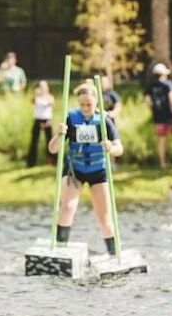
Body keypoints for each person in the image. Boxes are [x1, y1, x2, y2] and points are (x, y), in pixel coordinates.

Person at [47, 83, 123, 256]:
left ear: (97, 102)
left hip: (98, 170)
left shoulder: (105, 120)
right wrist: (59, 134)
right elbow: (53, 149)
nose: (86, 108)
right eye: (82, 104)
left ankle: (113, 253)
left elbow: (120, 148)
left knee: (104, 217)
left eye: (89, 104)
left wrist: (110, 147)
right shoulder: (71, 117)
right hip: (75, 169)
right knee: (67, 207)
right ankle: (60, 248)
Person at [144, 63, 172, 168]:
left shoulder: (150, 85)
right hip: (170, 115)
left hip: (158, 117)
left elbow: (147, 100)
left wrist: (153, 110)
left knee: (161, 140)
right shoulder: (168, 84)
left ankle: (162, 163)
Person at [26, 80, 56, 167]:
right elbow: (32, 100)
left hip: (47, 120)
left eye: (45, 87)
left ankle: (52, 159)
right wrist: (36, 93)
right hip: (38, 120)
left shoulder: (49, 97)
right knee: (34, 140)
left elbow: (51, 102)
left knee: (49, 140)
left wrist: (45, 95)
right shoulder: (36, 97)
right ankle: (31, 161)